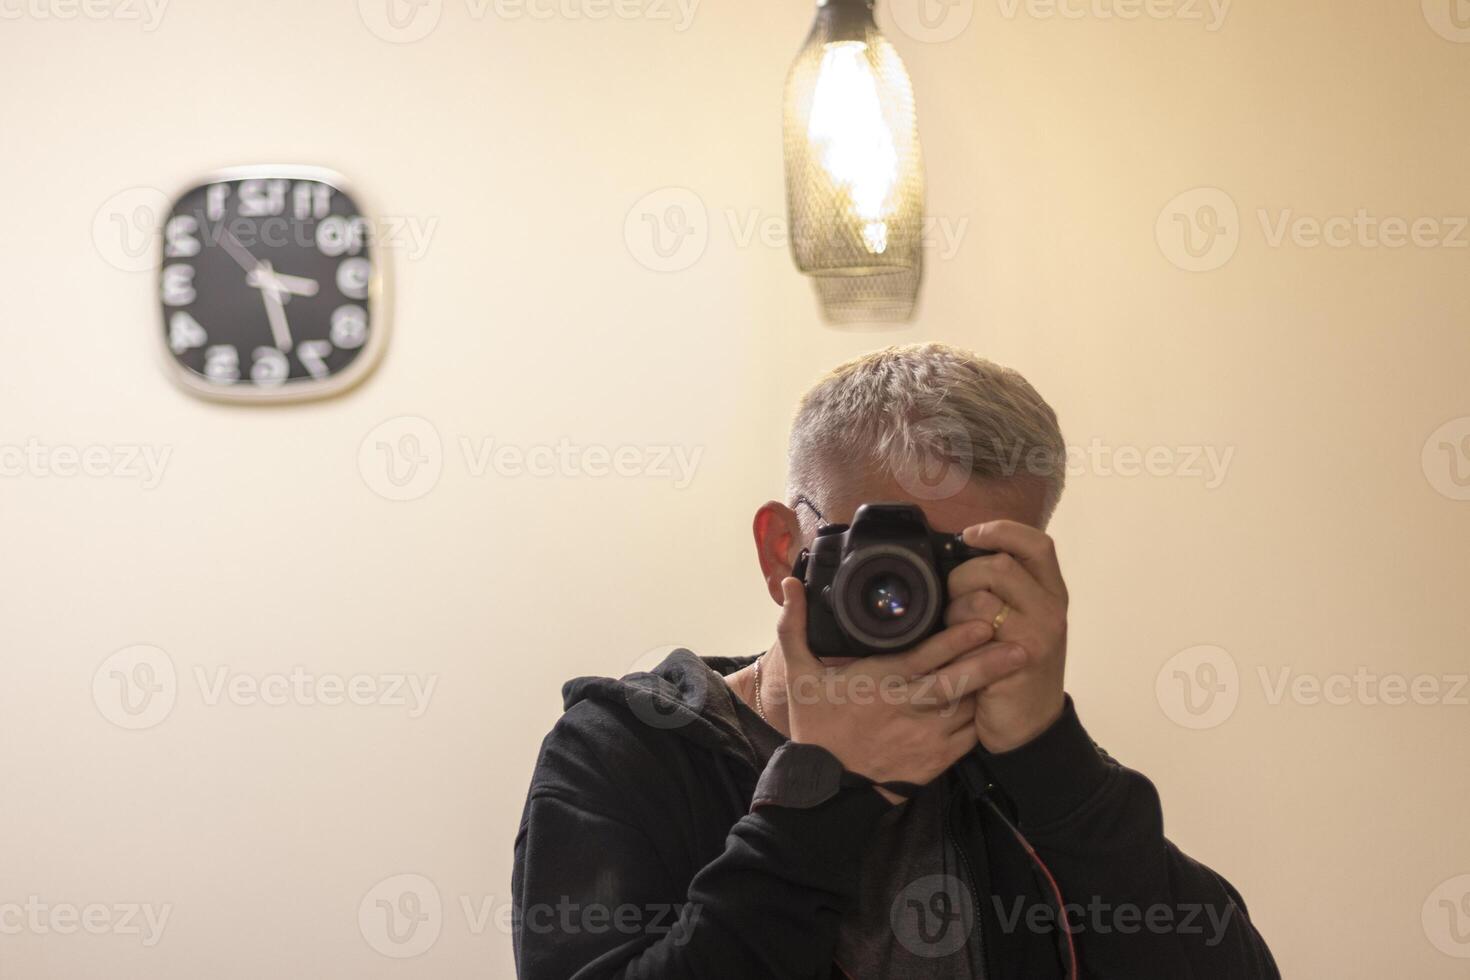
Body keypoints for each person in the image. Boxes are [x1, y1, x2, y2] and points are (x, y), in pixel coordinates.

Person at [512, 343, 1279, 979]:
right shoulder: (628, 751)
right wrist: (820, 798)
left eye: (966, 564)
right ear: (784, 548)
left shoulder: (1013, 774)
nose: (915, 600)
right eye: (889, 556)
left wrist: (1054, 761)